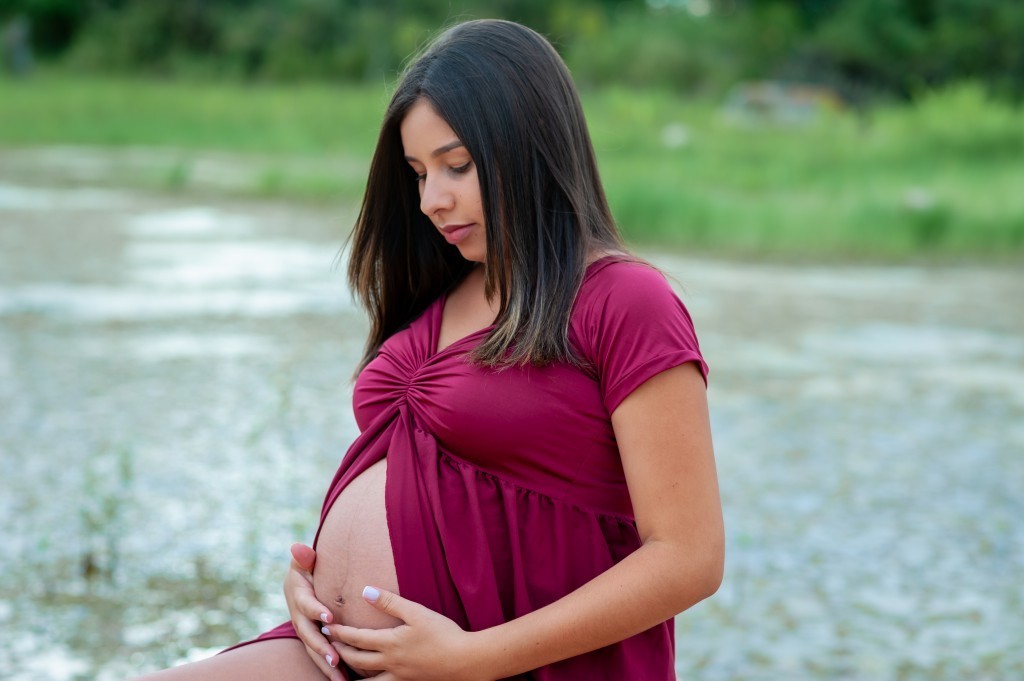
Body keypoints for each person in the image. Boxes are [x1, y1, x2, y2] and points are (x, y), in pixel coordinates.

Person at [135, 18, 722, 681]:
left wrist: (472, 657)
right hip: (334, 652)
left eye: (458, 165)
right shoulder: (440, 289)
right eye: (417, 173)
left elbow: (689, 556)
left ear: (529, 146)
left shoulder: (626, 301)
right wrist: (310, 583)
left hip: (495, 666)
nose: (431, 200)